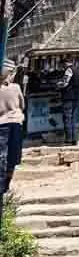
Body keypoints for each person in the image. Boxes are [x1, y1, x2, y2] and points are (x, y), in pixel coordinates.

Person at [0, 60, 25, 193]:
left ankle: (2, 185)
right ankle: (7, 185)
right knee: (13, 156)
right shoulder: (16, 88)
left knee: (2, 155)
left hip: (1, 124)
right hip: (15, 123)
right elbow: (22, 106)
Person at [60, 58, 79, 145]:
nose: (62, 67)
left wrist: (58, 84)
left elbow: (65, 83)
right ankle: (75, 140)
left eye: (62, 65)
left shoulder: (69, 70)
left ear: (65, 63)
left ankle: (68, 140)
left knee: (67, 118)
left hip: (68, 97)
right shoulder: (78, 70)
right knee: (73, 119)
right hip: (76, 97)